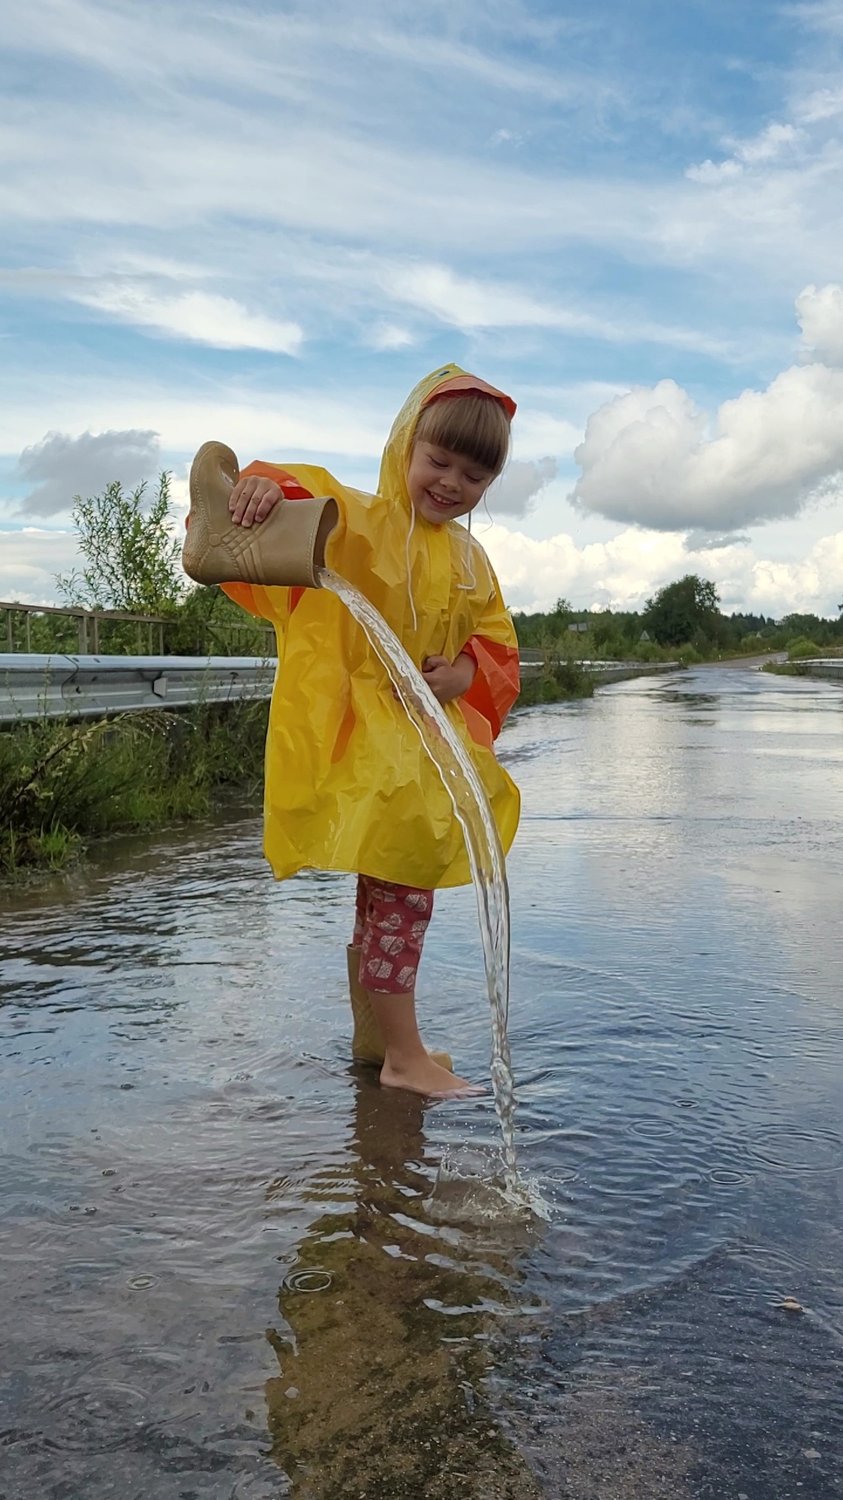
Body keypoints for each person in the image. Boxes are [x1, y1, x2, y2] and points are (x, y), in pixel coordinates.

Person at [219, 364, 521, 1097]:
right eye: (438, 461)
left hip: (422, 747)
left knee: (383, 894)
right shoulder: (359, 523)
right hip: (373, 750)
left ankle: (374, 1037)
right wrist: (260, 488)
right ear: (405, 444)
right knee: (404, 893)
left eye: (474, 476)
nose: (450, 484)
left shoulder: (469, 559)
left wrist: (462, 672)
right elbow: (298, 498)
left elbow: (495, 643)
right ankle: (403, 1058)